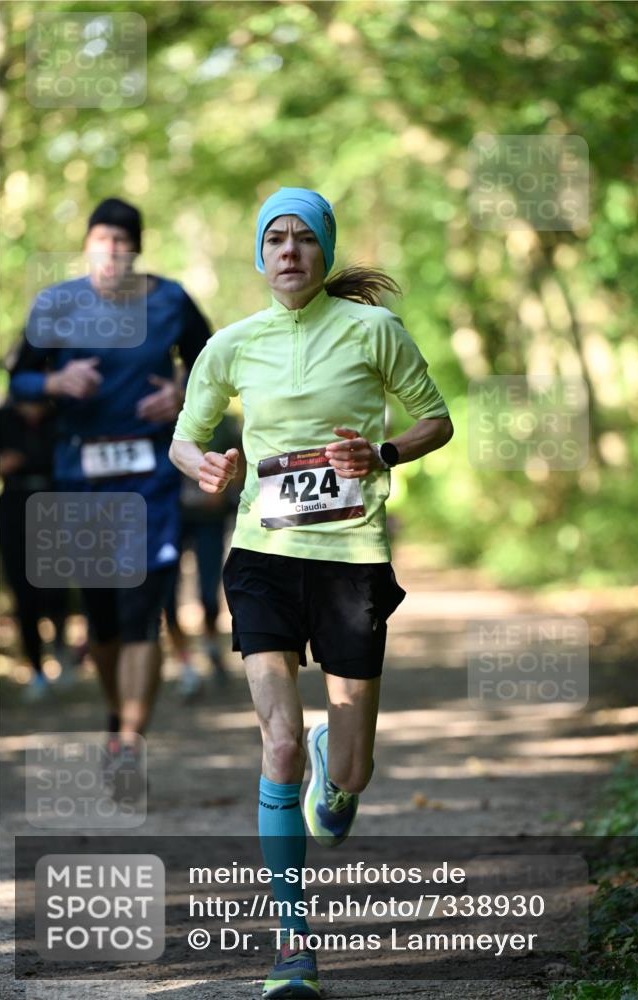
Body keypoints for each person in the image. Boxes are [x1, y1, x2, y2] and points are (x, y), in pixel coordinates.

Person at [170, 187, 453, 998]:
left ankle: (343, 766)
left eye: (303, 239)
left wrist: (384, 453)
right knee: (279, 744)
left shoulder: (374, 331)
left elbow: (436, 420)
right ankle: (292, 943)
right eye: (275, 239)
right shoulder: (229, 345)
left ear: (324, 251)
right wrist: (209, 467)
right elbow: (185, 441)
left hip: (351, 559)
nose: (288, 251)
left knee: (350, 771)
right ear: (259, 255)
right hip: (262, 555)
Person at [9, 196, 211, 793]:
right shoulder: (58, 304)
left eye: (123, 241)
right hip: (82, 480)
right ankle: (115, 721)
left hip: (150, 478)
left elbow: (213, 361)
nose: (112, 250)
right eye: (102, 239)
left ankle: (130, 740)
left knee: (142, 611)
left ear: (137, 247)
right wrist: (54, 379)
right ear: (88, 244)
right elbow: (17, 374)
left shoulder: (171, 300)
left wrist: (179, 391)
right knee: (101, 621)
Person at [0, 395, 73, 701]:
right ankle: (37, 669)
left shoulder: (61, 416)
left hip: (55, 506)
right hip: (14, 508)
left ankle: (62, 652)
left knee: (56, 587)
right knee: (23, 593)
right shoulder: (2, 419)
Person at [165, 412, 243, 700]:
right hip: (170, 518)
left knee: (209, 592)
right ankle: (185, 665)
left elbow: (242, 457)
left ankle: (211, 648)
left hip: (209, 516)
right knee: (166, 597)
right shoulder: (159, 418)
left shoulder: (223, 421)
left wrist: (227, 490)